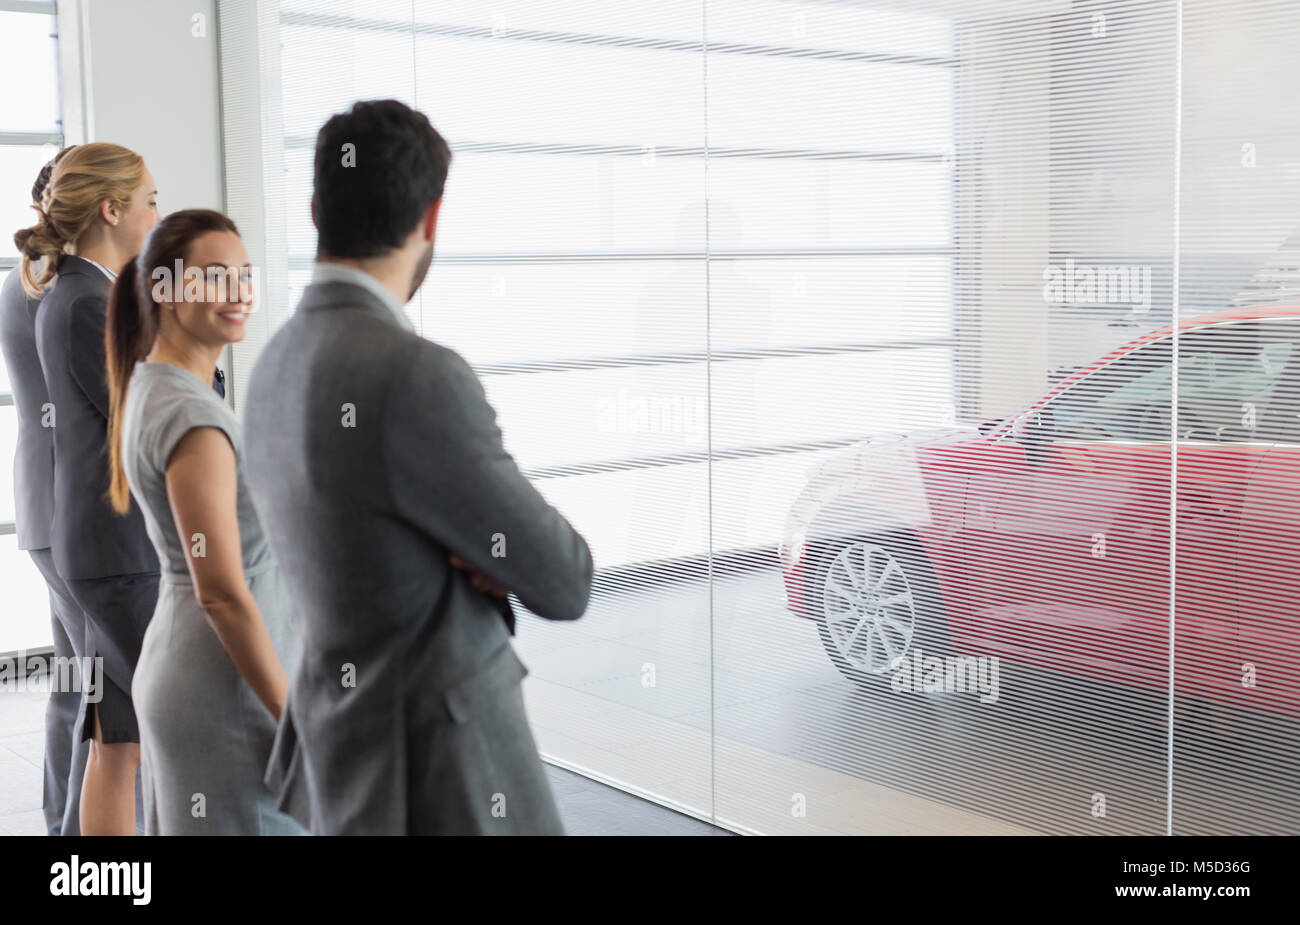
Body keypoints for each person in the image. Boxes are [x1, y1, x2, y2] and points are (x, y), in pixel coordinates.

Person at [243, 99, 594, 835]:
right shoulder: (413, 375)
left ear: (315, 209)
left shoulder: (271, 364)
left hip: (343, 753)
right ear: (431, 218)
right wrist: (487, 550)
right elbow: (563, 578)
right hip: (439, 774)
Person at [104, 209, 305, 835]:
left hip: (196, 672)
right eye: (215, 277)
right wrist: (297, 726)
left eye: (245, 275)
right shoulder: (192, 414)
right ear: (164, 291)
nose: (240, 291)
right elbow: (219, 590)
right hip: (224, 689)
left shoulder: (157, 385)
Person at [2, 148, 89, 835]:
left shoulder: (20, 280)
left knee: (72, 681)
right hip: (78, 511)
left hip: (40, 503)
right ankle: (97, 844)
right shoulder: (69, 289)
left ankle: (64, 825)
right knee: (108, 691)